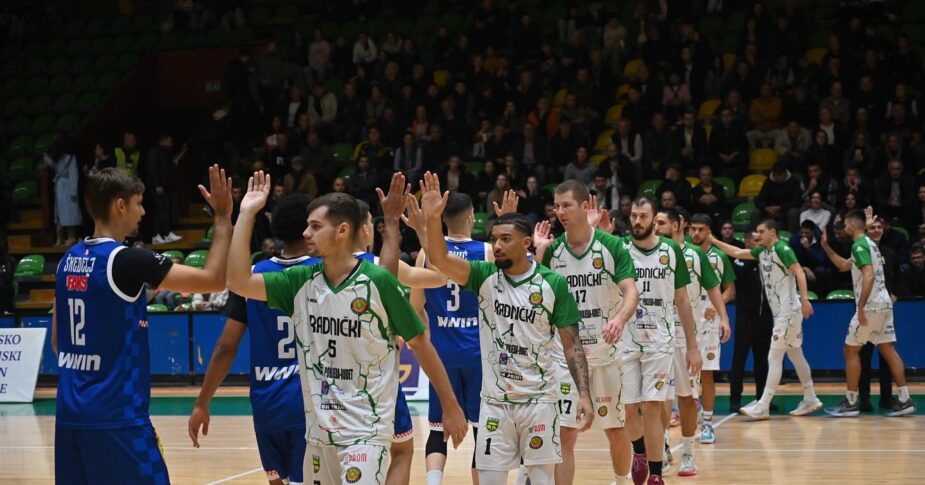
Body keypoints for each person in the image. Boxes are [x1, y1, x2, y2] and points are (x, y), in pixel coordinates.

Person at [227, 172, 468, 485]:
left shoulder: (378, 280)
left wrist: (451, 406)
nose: (306, 233)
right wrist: (246, 213)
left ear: (342, 230)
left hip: (366, 432)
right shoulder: (299, 280)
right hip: (319, 434)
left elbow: (421, 344)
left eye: (315, 226)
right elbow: (238, 282)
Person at [405, 172, 593, 485]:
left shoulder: (553, 284)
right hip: (495, 403)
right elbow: (439, 258)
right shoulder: (483, 274)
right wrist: (433, 220)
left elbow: (572, 346)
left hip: (539, 401)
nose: (498, 245)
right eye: (495, 239)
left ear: (526, 243)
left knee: (542, 480)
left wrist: (584, 395)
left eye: (506, 239)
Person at [53, 165, 233, 485]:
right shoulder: (127, 260)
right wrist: (222, 218)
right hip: (118, 418)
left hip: (69, 417)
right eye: (138, 203)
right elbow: (214, 279)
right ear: (120, 205)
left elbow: (58, 341)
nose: (143, 211)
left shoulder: (67, 260)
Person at [188, 194, 311, 485]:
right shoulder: (324, 272)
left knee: (278, 481)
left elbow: (226, 347)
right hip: (311, 399)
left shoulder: (253, 275)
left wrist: (202, 402)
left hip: (267, 401)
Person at [532, 181, 640, 485]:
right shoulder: (552, 250)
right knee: (565, 434)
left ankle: (621, 481)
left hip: (606, 354)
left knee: (616, 431)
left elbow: (631, 291)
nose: (560, 211)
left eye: (566, 205)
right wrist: (539, 253)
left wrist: (619, 319)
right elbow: (533, 293)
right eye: (557, 206)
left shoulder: (612, 246)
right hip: (565, 356)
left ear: (584, 206)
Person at [410, 192, 493, 485]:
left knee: (437, 429)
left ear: (443, 219)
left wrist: (430, 336)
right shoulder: (487, 251)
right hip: (478, 354)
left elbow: (415, 307)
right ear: (471, 217)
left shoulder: (427, 254)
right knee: (482, 430)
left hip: (441, 354)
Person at [621, 197, 701, 485]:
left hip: (660, 342)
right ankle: (639, 451)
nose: (637, 221)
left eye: (643, 216)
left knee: (653, 406)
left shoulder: (671, 250)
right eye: (633, 215)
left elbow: (682, 299)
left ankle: (656, 474)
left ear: (654, 219)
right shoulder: (620, 249)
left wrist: (692, 346)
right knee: (629, 409)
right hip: (626, 340)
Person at [709, 219, 821, 419]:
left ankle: (763, 404)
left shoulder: (782, 249)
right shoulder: (762, 252)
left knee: (773, 357)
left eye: (761, 232)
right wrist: (713, 240)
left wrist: (805, 299)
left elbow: (799, 272)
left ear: (772, 232)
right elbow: (736, 252)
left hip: (788, 311)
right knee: (795, 354)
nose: (757, 235)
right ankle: (811, 397)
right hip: (782, 313)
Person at [653, 208, 729, 477]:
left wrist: (723, 317)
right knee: (659, 397)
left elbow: (713, 287)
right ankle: (662, 446)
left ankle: (687, 452)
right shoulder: (650, 253)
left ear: (675, 226)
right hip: (657, 336)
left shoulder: (695, 254)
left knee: (687, 397)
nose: (655, 227)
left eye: (660, 222)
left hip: (686, 336)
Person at [820, 209, 916, 417]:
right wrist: (826, 246)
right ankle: (905, 399)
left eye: (846, 224)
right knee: (888, 349)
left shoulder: (859, 245)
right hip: (884, 303)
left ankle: (851, 401)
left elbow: (869, 275)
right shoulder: (870, 244)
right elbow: (844, 265)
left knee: (850, 351)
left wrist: (861, 306)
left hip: (871, 305)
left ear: (853, 225)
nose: (845, 228)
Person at [687, 214, 735, 443]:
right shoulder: (682, 253)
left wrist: (716, 307)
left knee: (706, 373)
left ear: (709, 232)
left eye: (701, 229)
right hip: (685, 320)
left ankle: (707, 423)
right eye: (693, 229)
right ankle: (685, 413)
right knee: (683, 374)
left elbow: (729, 290)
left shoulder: (719, 257)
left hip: (709, 323)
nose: (696, 233)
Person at [726, 230, 773, 412]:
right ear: (747, 243)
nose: (760, 243)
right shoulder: (739, 263)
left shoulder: (766, 260)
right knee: (739, 358)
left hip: (765, 317)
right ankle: (735, 399)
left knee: (763, 360)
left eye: (761, 240)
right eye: (756, 240)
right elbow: (745, 270)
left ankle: (762, 398)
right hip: (745, 318)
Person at [43, 134, 82, 247]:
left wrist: (74, 191)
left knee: (69, 214)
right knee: (59, 215)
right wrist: (47, 159)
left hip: (68, 188)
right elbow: (57, 168)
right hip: (60, 188)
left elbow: (74, 175)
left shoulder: (70, 158)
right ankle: (60, 237)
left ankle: (71, 237)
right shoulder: (60, 158)